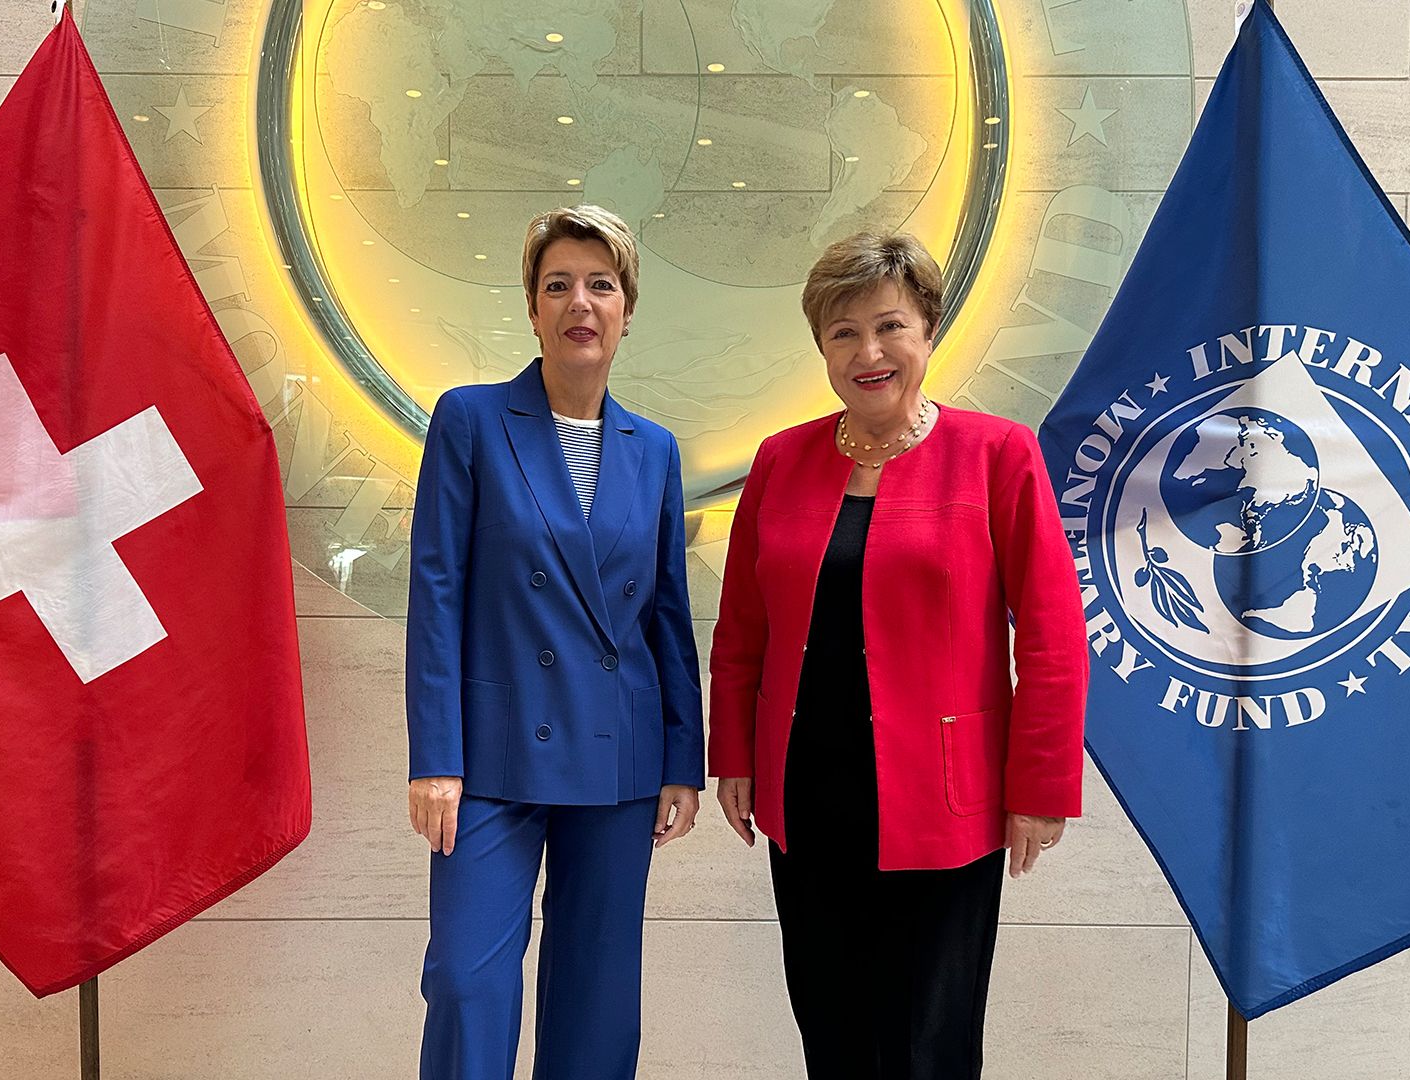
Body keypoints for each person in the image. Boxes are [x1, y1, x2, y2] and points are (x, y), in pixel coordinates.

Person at [707, 231, 1088, 1079]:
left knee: (929, 1044)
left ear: (928, 331)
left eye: (890, 327)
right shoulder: (781, 459)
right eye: (843, 333)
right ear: (821, 348)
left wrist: (1040, 787)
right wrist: (733, 756)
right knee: (832, 1034)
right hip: (807, 795)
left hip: (944, 799)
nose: (869, 352)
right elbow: (742, 633)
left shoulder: (997, 455)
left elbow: (1057, 638)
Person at [405, 204, 704, 1080]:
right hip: (492, 756)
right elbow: (438, 597)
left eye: (601, 285)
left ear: (627, 310)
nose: (581, 301)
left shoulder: (653, 449)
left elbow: (665, 617)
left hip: (618, 753)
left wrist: (682, 758)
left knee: (598, 994)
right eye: (558, 284)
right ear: (532, 309)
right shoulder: (471, 420)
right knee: (466, 980)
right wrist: (434, 756)